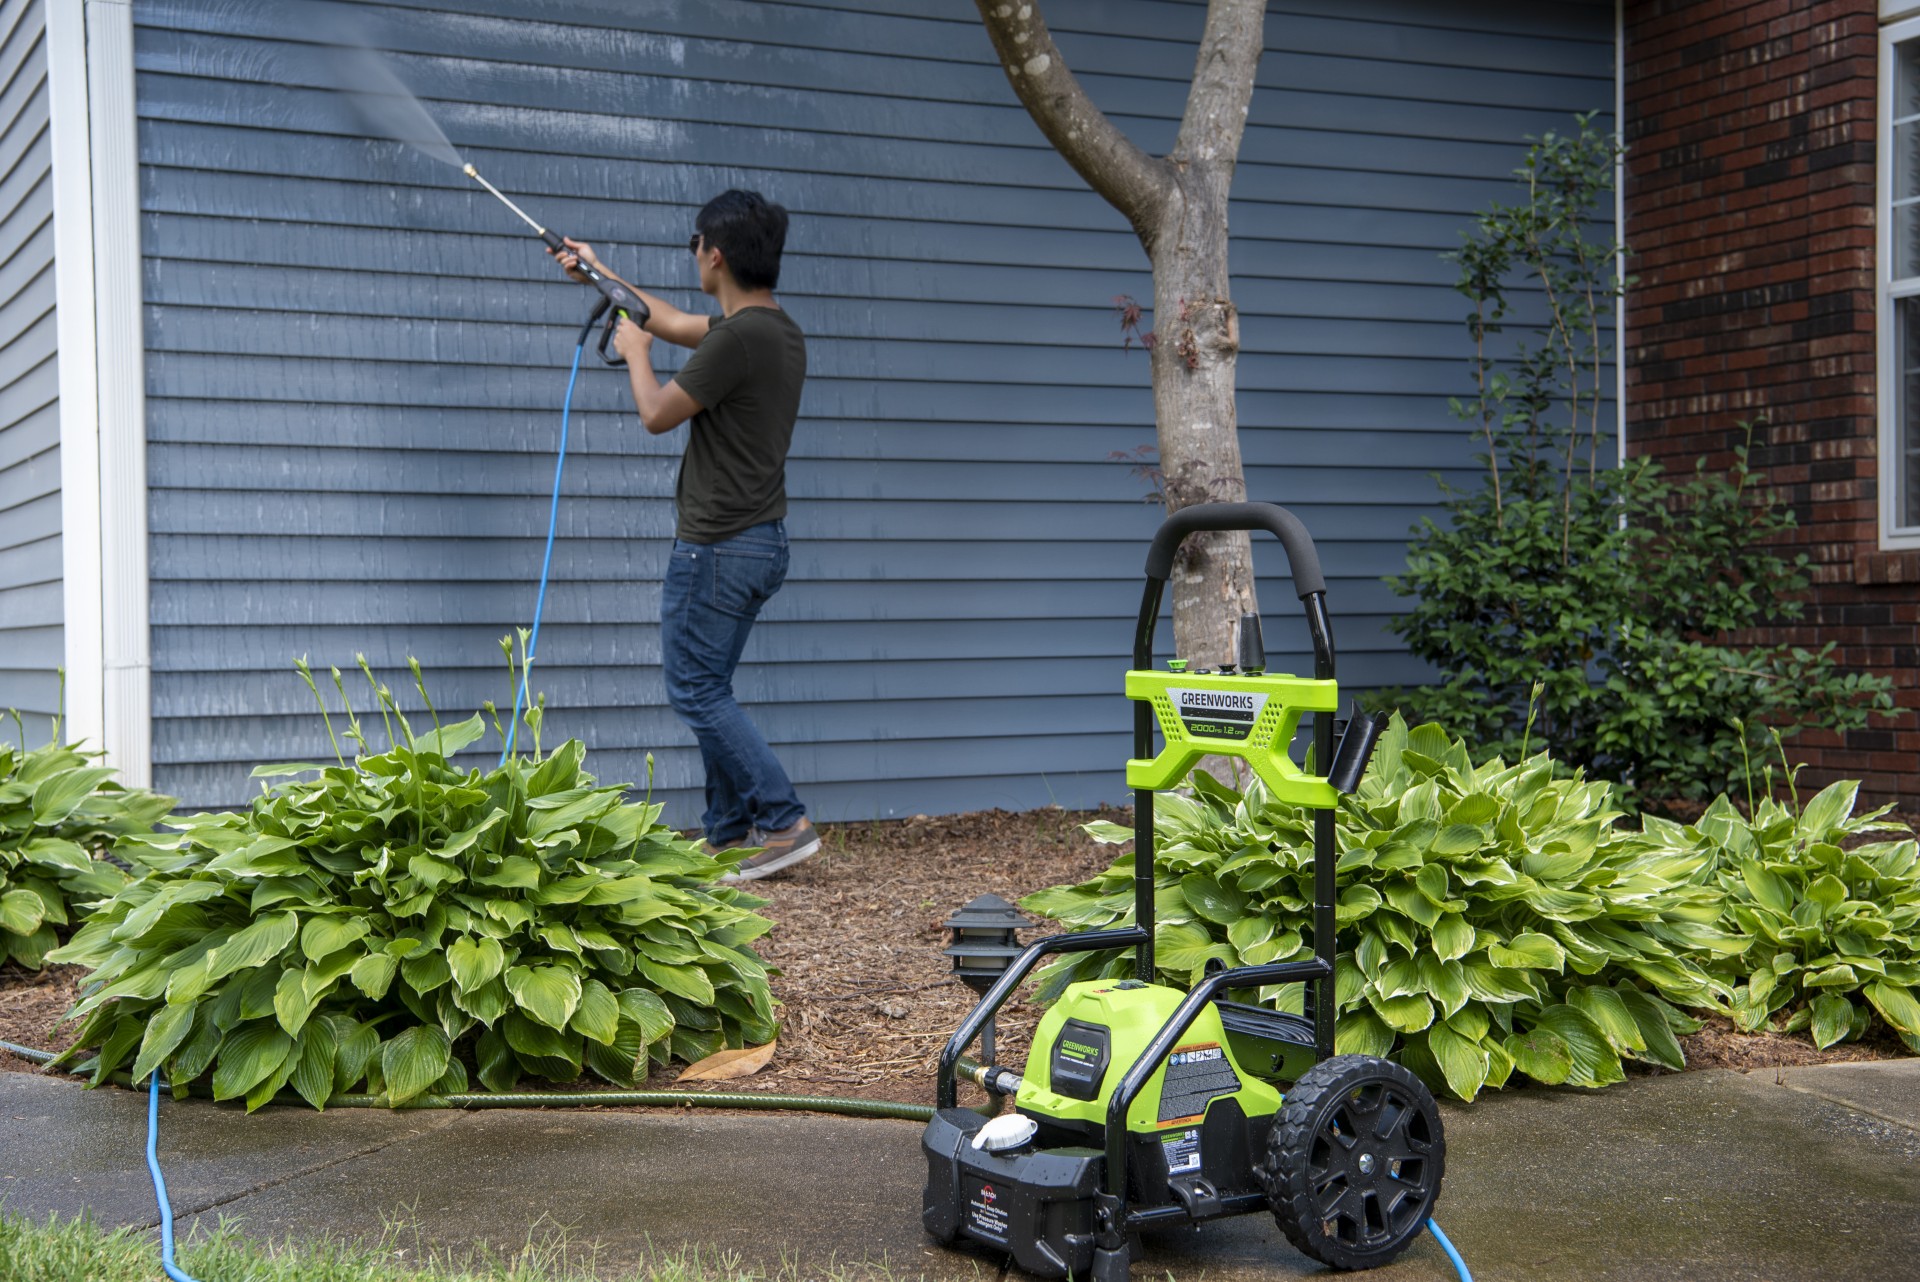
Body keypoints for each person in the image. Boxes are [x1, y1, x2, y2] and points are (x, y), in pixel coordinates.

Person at [551, 190, 817, 881]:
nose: (693, 255)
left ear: (714, 254)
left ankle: (783, 820)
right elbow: (666, 317)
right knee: (711, 687)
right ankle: (728, 834)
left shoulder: (737, 340)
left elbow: (657, 413)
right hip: (758, 542)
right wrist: (600, 274)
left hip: (718, 546)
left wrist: (636, 352)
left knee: (696, 691)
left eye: (694, 245)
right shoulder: (773, 330)